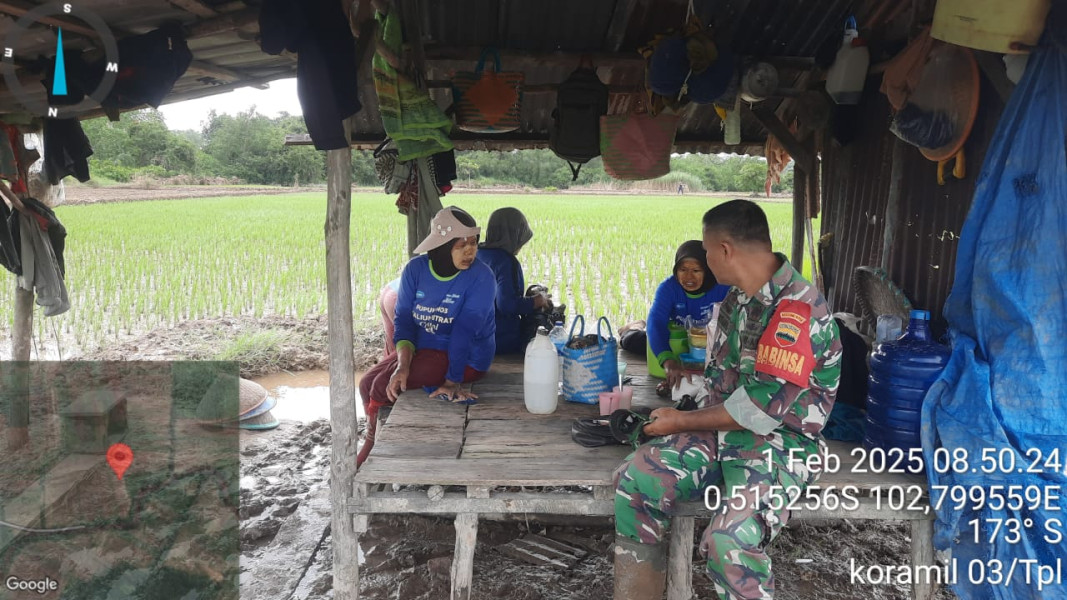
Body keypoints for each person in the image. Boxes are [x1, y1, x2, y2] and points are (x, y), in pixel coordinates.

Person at [612, 200, 842, 599]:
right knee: (636, 480)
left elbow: (757, 410)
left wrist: (679, 422)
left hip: (780, 443)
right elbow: (722, 381)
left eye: (706, 250)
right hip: (720, 431)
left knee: (729, 541)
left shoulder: (796, 311)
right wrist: (679, 413)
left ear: (724, 250)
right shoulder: (739, 299)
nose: (704, 259)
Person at [357, 206, 496, 466]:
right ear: (442, 246)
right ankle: (377, 431)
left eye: (474, 243)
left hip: (467, 357)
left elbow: (465, 331)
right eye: (461, 245)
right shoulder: (415, 270)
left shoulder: (481, 277)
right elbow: (404, 322)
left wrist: (452, 380)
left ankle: (372, 445)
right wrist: (402, 364)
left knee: (381, 386)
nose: (470, 251)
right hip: (425, 348)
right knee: (366, 383)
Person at [644, 240, 729, 393]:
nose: (689, 277)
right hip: (679, 342)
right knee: (633, 341)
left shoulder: (723, 287)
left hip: (710, 346)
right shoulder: (668, 288)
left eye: (696, 270)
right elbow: (656, 322)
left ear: (708, 270)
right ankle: (632, 328)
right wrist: (668, 361)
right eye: (683, 270)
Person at [477, 207, 548, 354]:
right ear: (515, 235)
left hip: (473, 336)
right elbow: (507, 305)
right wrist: (537, 300)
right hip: (500, 339)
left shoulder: (476, 253)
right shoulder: (506, 262)